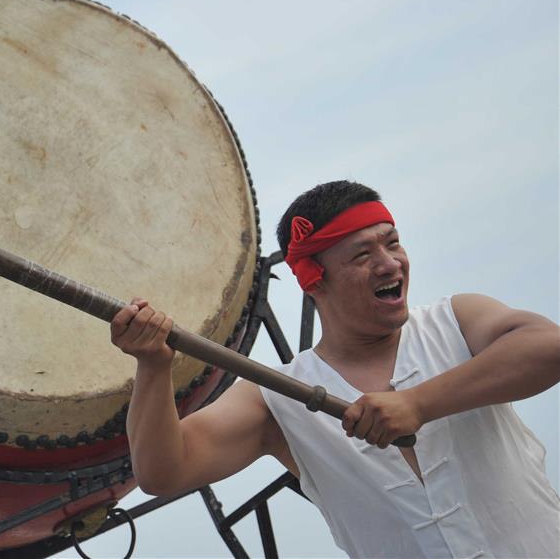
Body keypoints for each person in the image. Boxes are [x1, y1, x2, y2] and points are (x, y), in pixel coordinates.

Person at [110, 180, 560, 558]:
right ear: (313, 279)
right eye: (363, 254)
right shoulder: (278, 398)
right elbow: (163, 472)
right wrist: (152, 367)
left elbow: (549, 348)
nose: (390, 263)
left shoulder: (458, 321)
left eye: (393, 242)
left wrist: (418, 404)